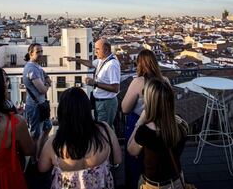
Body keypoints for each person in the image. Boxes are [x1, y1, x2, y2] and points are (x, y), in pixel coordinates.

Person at [38, 87, 122, 188]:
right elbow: (117, 159)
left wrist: (43, 136)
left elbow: (42, 168)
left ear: (62, 112)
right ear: (87, 108)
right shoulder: (105, 130)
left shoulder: (54, 143)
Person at [127, 79, 189, 189]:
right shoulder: (180, 124)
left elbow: (131, 150)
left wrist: (139, 122)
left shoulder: (145, 132)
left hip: (154, 185)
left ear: (149, 101)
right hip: (177, 181)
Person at [121, 49, 168, 189]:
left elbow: (125, 109)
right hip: (161, 126)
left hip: (139, 124)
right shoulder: (165, 81)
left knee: (135, 161)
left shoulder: (138, 82)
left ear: (140, 64)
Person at [65, 38, 121, 127]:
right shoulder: (103, 60)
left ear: (106, 50)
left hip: (106, 103)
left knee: (103, 129)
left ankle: (108, 141)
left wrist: (95, 83)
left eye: (98, 49)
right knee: (105, 128)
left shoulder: (112, 65)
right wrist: (75, 59)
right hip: (101, 102)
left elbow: (115, 88)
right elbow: (91, 63)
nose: (95, 51)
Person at [22, 43, 52, 157]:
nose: (41, 54)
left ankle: (42, 154)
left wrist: (46, 81)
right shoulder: (31, 69)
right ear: (31, 53)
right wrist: (47, 84)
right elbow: (42, 89)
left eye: (41, 51)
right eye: (38, 52)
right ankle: (34, 159)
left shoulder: (37, 66)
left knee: (47, 128)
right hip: (34, 106)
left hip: (42, 104)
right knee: (35, 134)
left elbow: (46, 76)